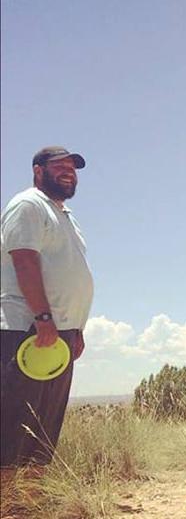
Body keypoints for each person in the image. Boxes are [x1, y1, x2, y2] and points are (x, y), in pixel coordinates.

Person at [1, 147, 94, 497]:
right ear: (38, 171)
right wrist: (43, 319)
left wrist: (76, 329)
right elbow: (24, 261)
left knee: (44, 424)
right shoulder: (28, 205)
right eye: (60, 167)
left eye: (73, 168)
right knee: (15, 422)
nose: (69, 172)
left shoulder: (64, 214)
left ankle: (31, 503)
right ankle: (10, 505)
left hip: (58, 334)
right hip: (27, 329)